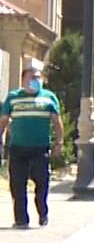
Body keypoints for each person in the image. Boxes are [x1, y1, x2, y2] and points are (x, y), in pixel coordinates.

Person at [1, 60, 63, 229]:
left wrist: (59, 142)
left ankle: (43, 213)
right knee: (17, 184)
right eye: (32, 77)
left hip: (40, 148)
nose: (36, 80)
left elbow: (57, 122)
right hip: (18, 148)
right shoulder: (13, 98)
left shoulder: (49, 98)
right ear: (23, 80)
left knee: (42, 183)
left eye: (38, 77)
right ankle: (21, 219)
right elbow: (4, 121)